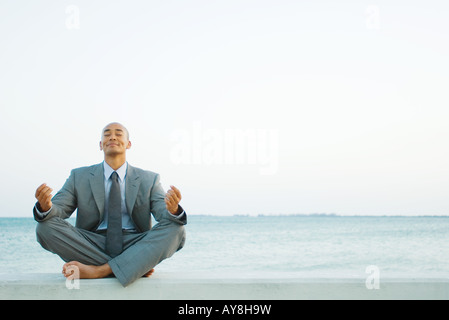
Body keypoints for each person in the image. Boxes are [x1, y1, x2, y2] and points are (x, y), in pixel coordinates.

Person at [33, 122, 186, 287]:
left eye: (119, 133)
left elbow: (163, 214)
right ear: (100, 145)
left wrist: (173, 210)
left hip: (134, 243)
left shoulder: (149, 179)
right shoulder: (79, 176)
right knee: (44, 227)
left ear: (128, 144)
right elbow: (59, 210)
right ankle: (134, 266)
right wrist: (46, 207)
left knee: (177, 230)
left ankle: (100, 270)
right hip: (91, 243)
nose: (112, 136)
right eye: (107, 134)